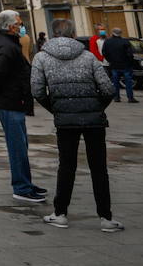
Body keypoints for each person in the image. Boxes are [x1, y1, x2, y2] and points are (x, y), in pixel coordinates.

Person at [31, 18, 122, 232]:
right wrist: (97, 107)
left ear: (54, 34)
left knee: (66, 166)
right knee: (99, 167)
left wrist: (57, 108)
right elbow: (108, 89)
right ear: (73, 34)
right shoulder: (88, 56)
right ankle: (106, 218)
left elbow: (36, 91)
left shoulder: (41, 57)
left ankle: (60, 213)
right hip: (94, 120)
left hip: (65, 121)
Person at [0, 10, 46, 203]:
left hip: (13, 100)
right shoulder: (6, 46)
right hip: (9, 101)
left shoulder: (9, 43)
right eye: (18, 24)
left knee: (21, 144)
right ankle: (21, 187)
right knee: (17, 146)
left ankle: (25, 182)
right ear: (10, 27)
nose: (21, 27)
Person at [101, 27, 137, 104]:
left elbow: (104, 52)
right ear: (120, 33)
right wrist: (130, 63)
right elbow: (130, 54)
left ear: (112, 33)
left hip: (114, 65)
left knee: (115, 82)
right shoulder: (125, 41)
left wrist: (110, 60)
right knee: (128, 82)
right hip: (125, 65)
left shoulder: (108, 42)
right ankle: (130, 97)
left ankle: (116, 97)